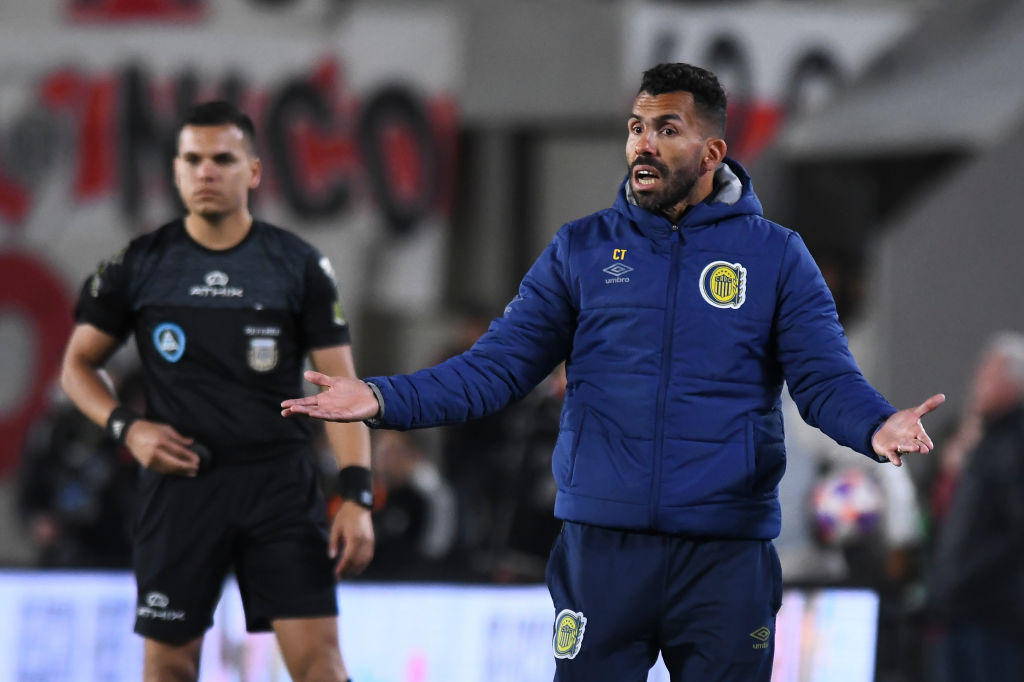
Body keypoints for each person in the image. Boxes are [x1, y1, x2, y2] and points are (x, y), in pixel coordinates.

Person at [281, 63, 944, 681]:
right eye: (636, 127)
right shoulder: (582, 250)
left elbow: (825, 378)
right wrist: (381, 396)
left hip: (725, 555)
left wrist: (875, 424)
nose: (643, 144)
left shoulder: (776, 257)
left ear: (712, 153)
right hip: (604, 551)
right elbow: (496, 367)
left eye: (667, 130)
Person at [60, 101, 373, 682]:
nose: (206, 171)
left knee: (321, 665)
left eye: (223, 159)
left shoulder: (298, 265)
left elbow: (341, 390)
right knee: (169, 668)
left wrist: (357, 495)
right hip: (181, 488)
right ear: (176, 170)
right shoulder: (139, 264)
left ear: (253, 171)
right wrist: (129, 428)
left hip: (279, 486)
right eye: (193, 159)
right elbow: (77, 366)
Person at [927, 332, 1024, 682]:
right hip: (960, 611)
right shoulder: (985, 441)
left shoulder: (1013, 444)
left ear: (1013, 383)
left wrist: (964, 580)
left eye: (989, 374)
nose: (977, 383)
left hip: (991, 615)